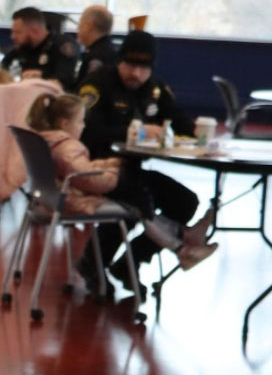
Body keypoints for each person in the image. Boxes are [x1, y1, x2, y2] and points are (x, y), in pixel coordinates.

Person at [26, 91, 217, 297]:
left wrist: (109, 166)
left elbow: (79, 170)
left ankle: (180, 241)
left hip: (65, 194)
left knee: (147, 196)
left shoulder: (49, 140)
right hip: (79, 197)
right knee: (138, 201)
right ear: (64, 123)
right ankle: (180, 244)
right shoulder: (68, 144)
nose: (83, 126)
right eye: (81, 121)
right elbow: (85, 176)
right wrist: (114, 175)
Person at [77, 30, 214, 291]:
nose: (136, 74)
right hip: (97, 168)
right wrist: (135, 130)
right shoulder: (97, 84)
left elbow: (178, 120)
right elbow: (87, 131)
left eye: (143, 68)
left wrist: (198, 133)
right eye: (130, 65)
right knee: (135, 203)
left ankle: (132, 261)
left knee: (185, 202)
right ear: (120, 61)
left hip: (131, 169)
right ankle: (92, 263)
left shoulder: (154, 88)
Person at [2, 5, 76, 85]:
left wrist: (42, 75)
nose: (13, 37)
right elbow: (3, 65)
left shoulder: (61, 45)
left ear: (34, 31)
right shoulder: (25, 47)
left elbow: (65, 79)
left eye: (18, 32)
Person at [71, 4, 118, 90]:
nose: (78, 28)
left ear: (88, 26)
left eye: (80, 23)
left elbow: (85, 90)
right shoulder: (109, 50)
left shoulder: (96, 56)